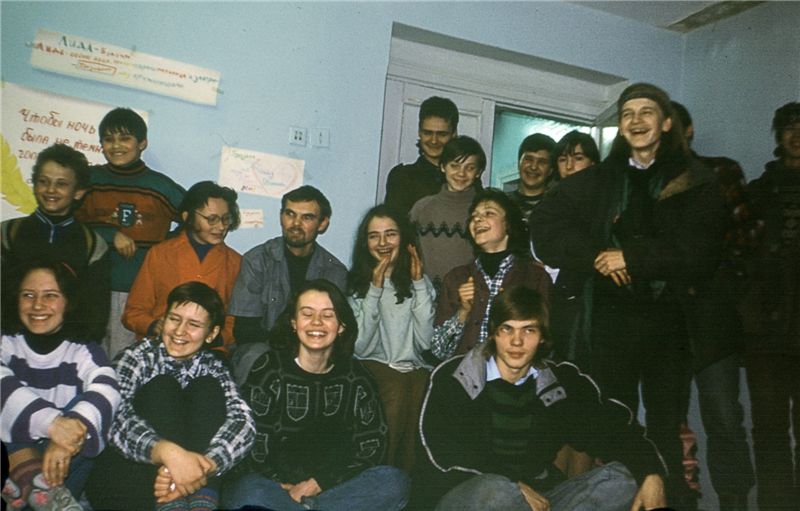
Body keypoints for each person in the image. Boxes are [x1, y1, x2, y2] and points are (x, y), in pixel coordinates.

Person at [530, 83, 726, 509]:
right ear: (620, 126)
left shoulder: (696, 181)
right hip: (609, 325)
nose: (636, 121)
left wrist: (631, 258)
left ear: (667, 123)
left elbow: (700, 252)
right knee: (616, 429)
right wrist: (596, 255)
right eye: (627, 114)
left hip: (670, 326)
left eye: (646, 112)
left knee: (665, 429)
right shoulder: (598, 179)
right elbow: (545, 226)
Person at [414, 285, 667, 511]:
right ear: (493, 333)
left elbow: (613, 428)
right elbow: (443, 455)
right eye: (507, 329)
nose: (516, 341)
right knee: (497, 492)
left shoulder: (559, 382)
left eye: (529, 330)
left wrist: (651, 473)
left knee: (626, 479)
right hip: (469, 497)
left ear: (542, 337)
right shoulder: (455, 377)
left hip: (539, 498)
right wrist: (512, 483)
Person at [222, 279, 409, 511]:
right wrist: (283, 487)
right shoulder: (269, 368)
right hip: (274, 487)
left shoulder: (357, 376)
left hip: (332, 486)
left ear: (341, 326)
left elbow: (373, 445)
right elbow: (252, 441)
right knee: (248, 491)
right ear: (294, 322)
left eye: (328, 315)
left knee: (394, 482)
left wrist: (318, 484)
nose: (317, 322)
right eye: (307, 314)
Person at [86, 282, 255, 511]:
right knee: (162, 386)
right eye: (174, 319)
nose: (179, 331)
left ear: (212, 334)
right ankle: (173, 503)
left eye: (193, 324)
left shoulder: (213, 367)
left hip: (195, 481)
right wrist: (166, 453)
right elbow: (113, 415)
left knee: (207, 387)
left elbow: (243, 422)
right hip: (131, 477)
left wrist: (203, 467)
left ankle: (200, 501)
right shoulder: (137, 357)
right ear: (163, 320)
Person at [670, 101, 755, 510]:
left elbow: (747, 238)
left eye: (672, 126)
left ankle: (734, 503)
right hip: (666, 320)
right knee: (667, 420)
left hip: (713, 318)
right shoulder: (646, 183)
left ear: (688, 130)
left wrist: (723, 291)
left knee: (723, 418)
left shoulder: (721, 171)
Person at [1, 260, 121, 511]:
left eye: (51, 296)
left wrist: (66, 436)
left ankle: (30, 482)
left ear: (69, 302)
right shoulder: (7, 343)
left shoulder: (83, 351)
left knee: (87, 409)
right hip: (15, 453)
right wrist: (53, 424)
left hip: (60, 465)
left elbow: (107, 388)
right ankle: (34, 482)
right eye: (28, 295)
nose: (37, 305)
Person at [75, 107, 185, 360]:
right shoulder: (90, 181)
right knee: (85, 355)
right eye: (108, 139)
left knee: (122, 359)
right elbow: (69, 224)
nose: (116, 146)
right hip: (91, 285)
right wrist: (110, 235)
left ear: (142, 143)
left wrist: (166, 245)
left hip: (135, 291)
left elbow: (194, 216)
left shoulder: (159, 186)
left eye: (125, 138)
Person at [740, 101, 800, 511]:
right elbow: (737, 259)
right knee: (769, 431)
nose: (797, 135)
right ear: (779, 135)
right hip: (765, 335)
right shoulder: (758, 193)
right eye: (789, 127)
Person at [347, 204, 436, 472]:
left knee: (422, 387)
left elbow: (425, 343)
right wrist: (374, 290)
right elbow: (361, 348)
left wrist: (419, 284)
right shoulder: (356, 284)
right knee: (396, 387)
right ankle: (380, 472)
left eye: (391, 234)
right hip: (372, 363)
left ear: (404, 239)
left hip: (413, 366)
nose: (383, 243)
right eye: (374, 236)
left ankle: (407, 479)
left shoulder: (420, 282)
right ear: (365, 243)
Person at [1, 144, 110, 343]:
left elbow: (95, 314)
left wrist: (67, 348)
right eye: (43, 181)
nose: (50, 190)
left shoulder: (93, 245)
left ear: (78, 192)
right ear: (34, 184)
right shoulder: (7, 233)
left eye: (61, 184)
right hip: (9, 341)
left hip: (68, 348)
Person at [431, 188, 550, 361]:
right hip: (463, 373)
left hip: (512, 374)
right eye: (473, 216)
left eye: (489, 213)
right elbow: (439, 351)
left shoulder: (535, 277)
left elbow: (545, 344)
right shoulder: (456, 278)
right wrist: (463, 312)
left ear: (508, 224)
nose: (477, 219)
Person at [122, 181, 242, 350]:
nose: (221, 226)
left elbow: (236, 321)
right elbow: (133, 313)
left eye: (226, 219)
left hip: (209, 351)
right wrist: (155, 325)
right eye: (212, 219)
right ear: (188, 217)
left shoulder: (236, 262)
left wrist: (215, 338)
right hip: (161, 346)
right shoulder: (160, 254)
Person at [229, 185, 347, 346]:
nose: (296, 223)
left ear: (322, 224)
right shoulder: (257, 261)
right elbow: (245, 331)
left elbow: (335, 330)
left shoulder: (334, 271)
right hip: (263, 349)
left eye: (307, 217)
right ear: (281, 216)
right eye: (290, 214)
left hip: (314, 349)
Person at [410, 136, 486, 292]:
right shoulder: (422, 208)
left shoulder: (484, 211)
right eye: (454, 166)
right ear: (443, 167)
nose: (461, 173)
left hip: (468, 296)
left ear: (478, 172)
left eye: (470, 168)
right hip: (424, 296)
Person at [385, 96, 459, 219]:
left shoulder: (465, 178)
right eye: (428, 133)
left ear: (454, 134)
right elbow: (394, 224)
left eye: (442, 134)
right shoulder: (402, 177)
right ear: (419, 132)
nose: (434, 141)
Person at [508, 133, 556, 223]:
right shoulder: (503, 203)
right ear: (519, 163)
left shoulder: (557, 206)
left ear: (551, 170)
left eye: (542, 162)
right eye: (529, 159)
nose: (534, 167)